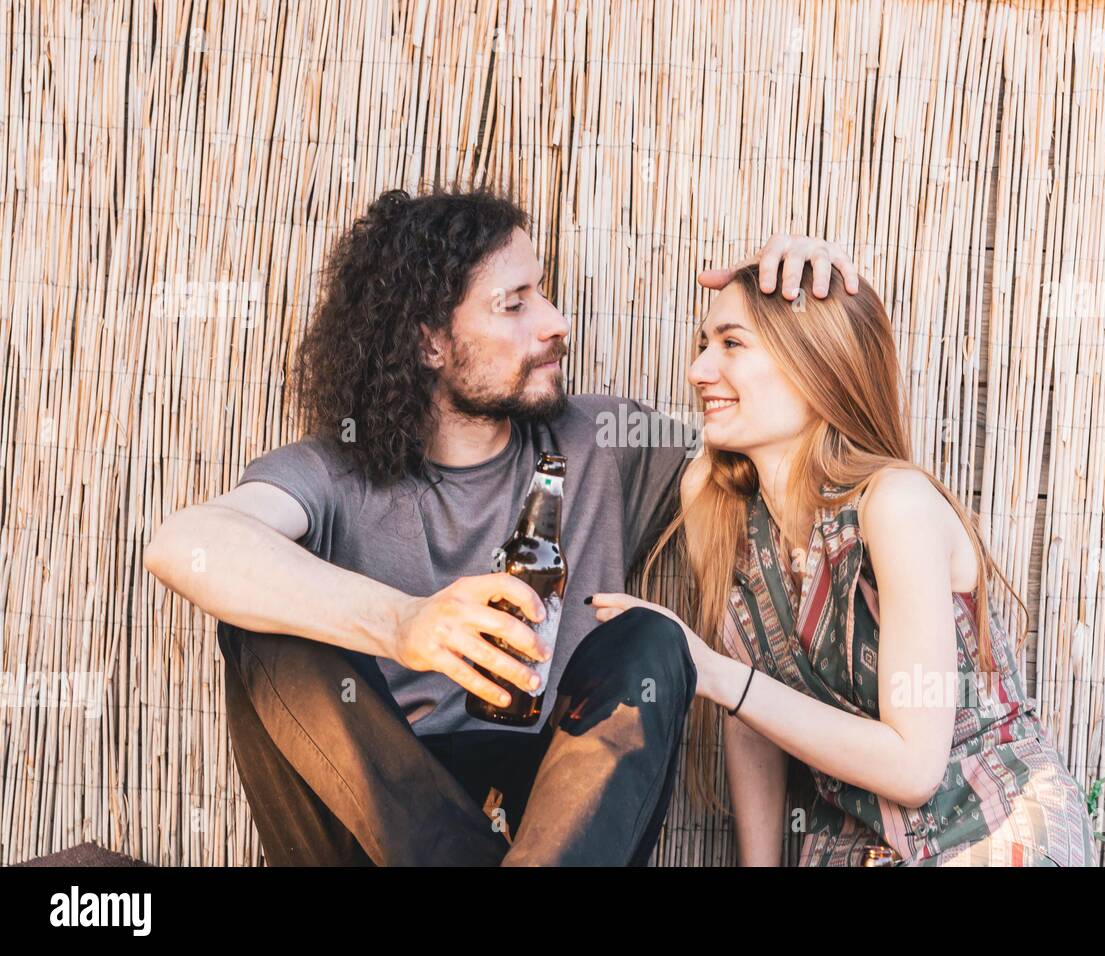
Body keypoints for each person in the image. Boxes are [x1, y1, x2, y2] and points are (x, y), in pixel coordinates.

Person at [144, 181, 857, 866]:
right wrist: (406, 624)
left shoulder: (603, 441)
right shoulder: (333, 473)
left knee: (650, 639)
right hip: (373, 816)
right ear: (430, 342)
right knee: (264, 623)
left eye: (542, 293)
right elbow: (187, 546)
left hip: (562, 823)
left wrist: (787, 310)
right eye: (514, 304)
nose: (555, 323)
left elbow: (783, 452)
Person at [591, 263, 1099, 866]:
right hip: (854, 838)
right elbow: (752, 716)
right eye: (703, 345)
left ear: (816, 365)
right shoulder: (713, 498)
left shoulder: (895, 504)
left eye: (730, 343)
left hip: (997, 826)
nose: (699, 370)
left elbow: (914, 768)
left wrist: (711, 672)